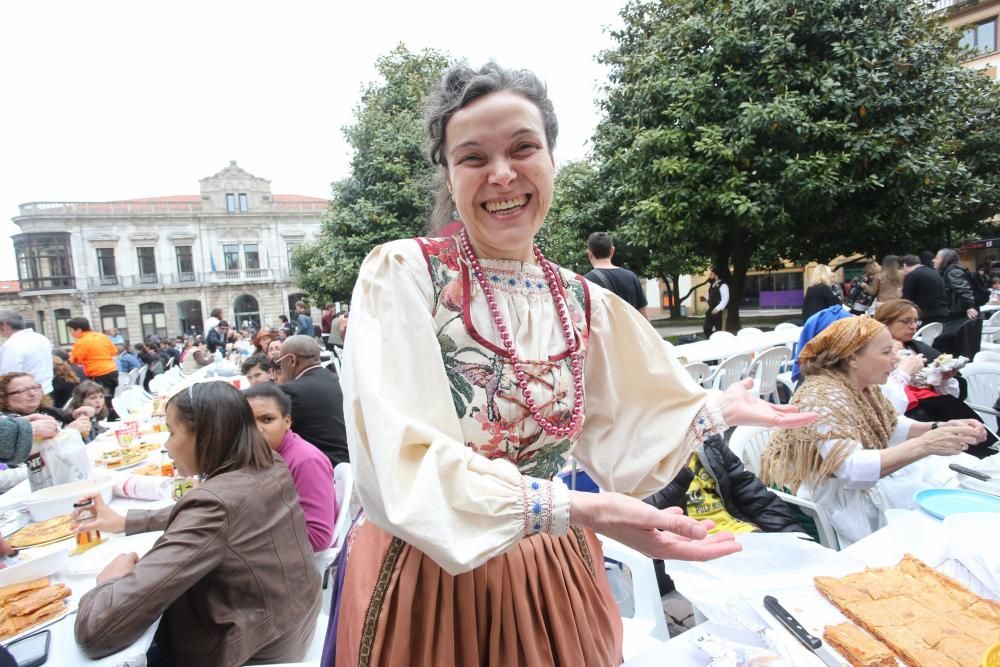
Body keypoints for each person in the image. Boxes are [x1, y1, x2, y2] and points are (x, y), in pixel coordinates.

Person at [321, 62, 815, 667]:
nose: (502, 174)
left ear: (552, 160)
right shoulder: (405, 275)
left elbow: (627, 429)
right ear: (449, 178)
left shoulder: (582, 301)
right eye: (473, 157)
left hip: (553, 568)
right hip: (433, 572)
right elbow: (400, 463)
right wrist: (582, 510)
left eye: (523, 148)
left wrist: (713, 411)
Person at [73, 381, 321, 665]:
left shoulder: (215, 505)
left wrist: (109, 582)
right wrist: (127, 521)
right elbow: (225, 512)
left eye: (171, 432)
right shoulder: (268, 462)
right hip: (290, 623)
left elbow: (98, 629)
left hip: (251, 647)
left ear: (204, 434)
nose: (166, 446)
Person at [760, 316, 986, 547]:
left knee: (948, 490)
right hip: (828, 497)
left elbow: (889, 426)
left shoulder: (862, 386)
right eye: (887, 352)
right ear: (852, 357)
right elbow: (851, 470)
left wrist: (941, 427)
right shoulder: (821, 397)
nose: (896, 358)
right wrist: (925, 444)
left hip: (851, 488)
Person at [873, 299, 996, 458]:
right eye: (906, 321)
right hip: (907, 416)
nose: (912, 326)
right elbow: (877, 397)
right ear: (884, 323)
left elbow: (942, 386)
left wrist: (943, 379)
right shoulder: (872, 353)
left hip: (937, 407)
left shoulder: (916, 347)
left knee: (971, 430)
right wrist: (902, 371)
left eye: (915, 321)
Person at [244, 383, 336, 551]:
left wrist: (248, 535)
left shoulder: (306, 461)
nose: (257, 429)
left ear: (287, 422)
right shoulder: (263, 454)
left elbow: (318, 536)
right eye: (248, 421)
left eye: (267, 419)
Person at [277, 336, 347, 467]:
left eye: (280, 363)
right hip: (348, 462)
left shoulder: (291, 391)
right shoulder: (337, 379)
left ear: (292, 360)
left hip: (318, 466)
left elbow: (277, 436)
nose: (281, 368)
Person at [0, 372, 94, 436]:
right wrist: (69, 433)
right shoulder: (8, 423)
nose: (32, 393)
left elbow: (71, 417)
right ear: (4, 397)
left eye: (35, 387)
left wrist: (83, 413)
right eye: (23, 390)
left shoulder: (45, 410)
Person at [584, 232, 648, 316]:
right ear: (612, 251)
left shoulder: (585, 282)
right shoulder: (631, 277)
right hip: (628, 329)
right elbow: (643, 315)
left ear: (589, 254)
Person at [933, 248, 981, 359]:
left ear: (945, 259)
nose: (934, 260)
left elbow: (963, 289)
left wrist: (969, 306)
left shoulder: (952, 271)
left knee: (942, 341)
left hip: (958, 314)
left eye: (937, 257)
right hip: (957, 313)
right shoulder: (952, 271)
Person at [67, 317, 118, 414]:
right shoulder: (102, 336)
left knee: (99, 400)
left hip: (98, 374)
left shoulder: (82, 342)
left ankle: (104, 419)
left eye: (70, 330)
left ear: (78, 330)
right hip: (112, 371)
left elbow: (75, 360)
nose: (70, 333)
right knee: (110, 397)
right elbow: (113, 351)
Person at [0, 311, 53, 394]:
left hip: (26, 394)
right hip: (46, 390)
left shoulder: (11, 345)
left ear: (4, 325)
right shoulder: (41, 338)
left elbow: (7, 376)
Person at [900, 254, 948, 325]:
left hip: (925, 315)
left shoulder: (912, 276)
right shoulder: (934, 272)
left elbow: (907, 300)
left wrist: (901, 294)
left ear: (904, 265)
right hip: (941, 312)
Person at [702, 266, 729, 337]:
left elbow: (725, 299)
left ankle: (719, 343)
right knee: (706, 328)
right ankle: (710, 341)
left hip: (719, 311)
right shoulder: (712, 285)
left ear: (716, 275)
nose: (710, 275)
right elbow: (708, 296)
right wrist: (705, 299)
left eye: (712, 274)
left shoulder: (723, 285)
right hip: (711, 310)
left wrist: (718, 308)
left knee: (719, 330)